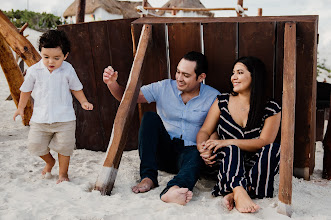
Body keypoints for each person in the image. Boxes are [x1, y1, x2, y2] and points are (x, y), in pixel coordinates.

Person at [103, 51, 220, 205]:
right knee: (150, 118)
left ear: (201, 77)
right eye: (178, 72)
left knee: (196, 152)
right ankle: (148, 177)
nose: (179, 78)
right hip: (162, 152)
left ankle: (174, 189)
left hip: (189, 155)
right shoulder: (164, 87)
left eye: (186, 75)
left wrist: (208, 147)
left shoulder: (213, 96)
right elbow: (128, 98)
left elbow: (215, 129)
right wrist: (112, 83)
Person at [196, 56, 281, 213]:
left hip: (255, 164)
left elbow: (264, 141)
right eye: (233, 73)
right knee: (232, 149)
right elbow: (205, 131)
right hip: (228, 162)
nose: (233, 77)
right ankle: (239, 189)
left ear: (254, 76)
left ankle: (234, 192)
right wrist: (202, 148)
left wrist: (226, 141)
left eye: (240, 72)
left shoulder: (271, 108)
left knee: (273, 149)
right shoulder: (222, 101)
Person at [13, 30, 93, 184]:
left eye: (57, 58)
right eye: (46, 57)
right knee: (34, 145)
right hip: (40, 119)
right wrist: (20, 108)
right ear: (41, 53)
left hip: (65, 118)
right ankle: (50, 162)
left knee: (65, 148)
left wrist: (83, 101)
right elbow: (26, 90)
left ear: (65, 55)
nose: (51, 61)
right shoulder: (34, 70)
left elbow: (76, 88)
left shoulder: (68, 69)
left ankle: (63, 174)